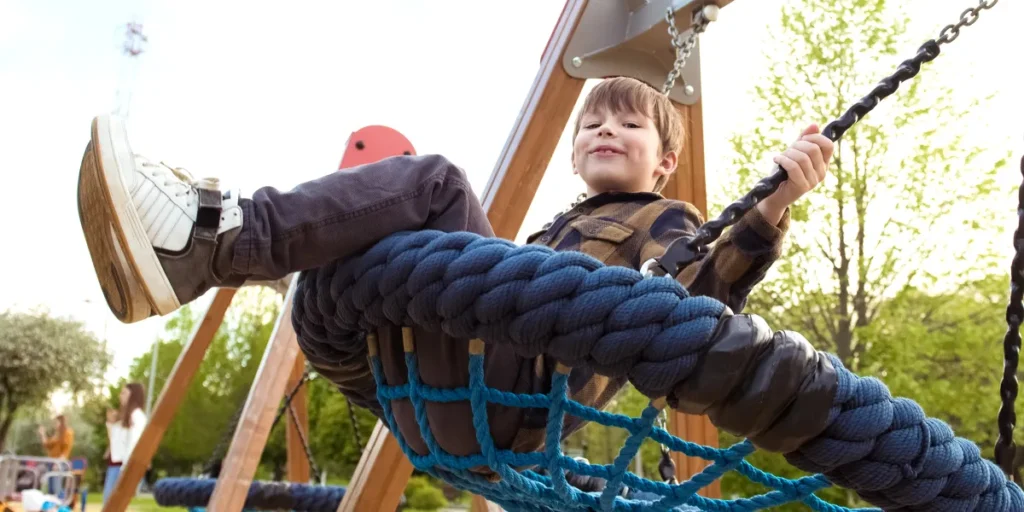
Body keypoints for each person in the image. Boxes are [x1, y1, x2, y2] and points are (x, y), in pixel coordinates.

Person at [76, 77, 831, 466]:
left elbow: (703, 297)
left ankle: (217, 240)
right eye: (593, 123)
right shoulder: (547, 232)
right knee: (397, 231)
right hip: (438, 403)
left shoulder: (662, 222)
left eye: (630, 124)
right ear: (573, 153)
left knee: (433, 183)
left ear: (664, 161)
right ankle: (251, 259)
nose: (607, 129)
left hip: (512, 403)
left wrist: (769, 210)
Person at [103, 382, 147, 505]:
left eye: (124, 393)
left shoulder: (137, 416)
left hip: (122, 467)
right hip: (115, 465)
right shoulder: (126, 417)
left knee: (111, 504)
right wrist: (110, 424)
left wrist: (126, 469)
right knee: (109, 503)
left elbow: (134, 444)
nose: (120, 396)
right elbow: (116, 444)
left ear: (133, 395)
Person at [37, 414, 75, 498]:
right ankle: (52, 506)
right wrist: (42, 434)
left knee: (56, 487)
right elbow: (47, 444)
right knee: (51, 488)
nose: (54, 425)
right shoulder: (57, 434)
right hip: (51, 462)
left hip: (60, 463)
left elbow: (66, 450)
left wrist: (58, 463)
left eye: (56, 422)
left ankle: (60, 503)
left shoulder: (68, 433)